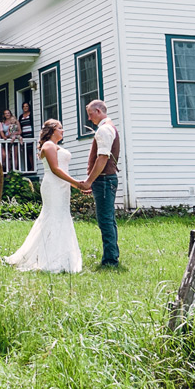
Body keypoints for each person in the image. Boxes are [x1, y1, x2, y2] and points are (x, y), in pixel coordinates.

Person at [4, 119, 86, 273]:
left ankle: (63, 255)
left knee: (62, 217)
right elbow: (55, 169)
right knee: (53, 216)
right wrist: (77, 183)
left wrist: (75, 186)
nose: (63, 131)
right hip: (53, 186)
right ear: (52, 130)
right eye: (60, 128)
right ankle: (50, 257)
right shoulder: (48, 145)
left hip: (62, 186)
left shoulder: (55, 146)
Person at [81, 100, 121, 268]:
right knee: (108, 219)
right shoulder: (108, 127)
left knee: (105, 220)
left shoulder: (104, 130)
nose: (89, 119)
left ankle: (111, 260)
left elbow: (103, 158)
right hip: (106, 180)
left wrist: (89, 180)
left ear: (98, 111)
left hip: (104, 180)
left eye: (90, 114)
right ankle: (112, 256)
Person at [18, 101, 34, 170]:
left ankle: (33, 166)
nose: (25, 108)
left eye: (26, 106)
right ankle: (30, 166)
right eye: (24, 107)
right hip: (24, 135)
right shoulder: (21, 116)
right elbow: (19, 126)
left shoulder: (31, 115)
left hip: (30, 134)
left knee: (31, 150)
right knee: (27, 151)